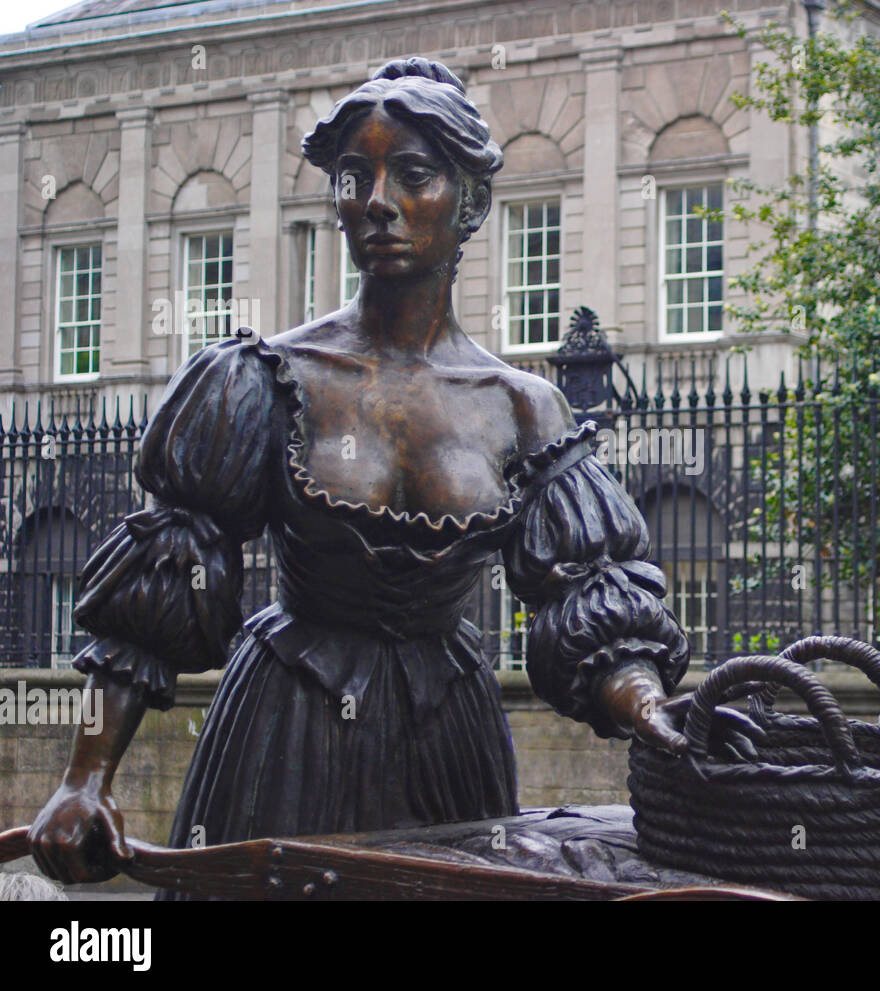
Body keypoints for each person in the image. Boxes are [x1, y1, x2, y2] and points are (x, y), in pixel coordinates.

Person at [28, 57, 694, 891]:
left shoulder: (524, 409)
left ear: (472, 201)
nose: (375, 201)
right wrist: (85, 777)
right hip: (285, 727)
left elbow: (588, 600)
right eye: (353, 177)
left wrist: (652, 707)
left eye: (412, 174)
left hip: (448, 738)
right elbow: (142, 614)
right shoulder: (267, 378)